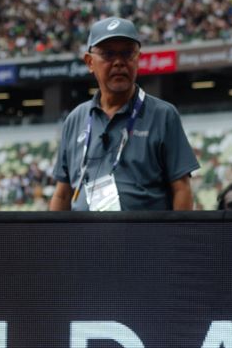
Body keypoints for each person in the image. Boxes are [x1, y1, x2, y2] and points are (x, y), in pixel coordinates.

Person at [48, 18, 198, 213]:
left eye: (127, 53)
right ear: (89, 62)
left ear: (138, 58)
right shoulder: (75, 119)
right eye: (108, 54)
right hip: (85, 240)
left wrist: (175, 241)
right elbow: (62, 194)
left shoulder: (163, 115)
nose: (119, 62)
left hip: (144, 241)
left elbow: (182, 189)